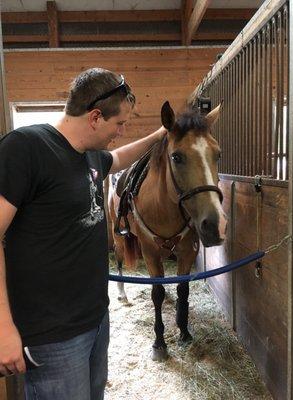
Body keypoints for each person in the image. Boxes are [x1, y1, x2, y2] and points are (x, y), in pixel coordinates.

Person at [0, 67, 166, 400]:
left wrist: (162, 134)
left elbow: (117, 158)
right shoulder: (26, 148)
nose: (120, 132)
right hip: (52, 334)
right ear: (94, 117)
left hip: (94, 318)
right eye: (119, 124)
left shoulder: (89, 155)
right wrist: (3, 328)